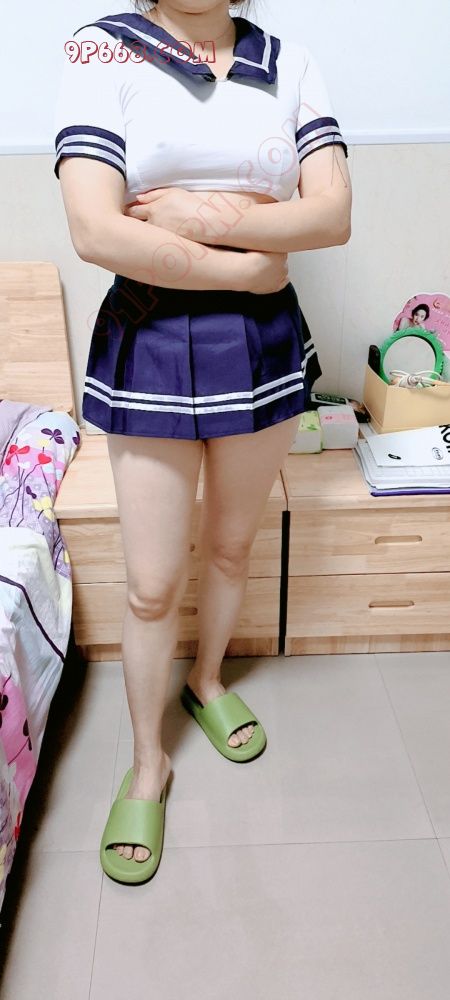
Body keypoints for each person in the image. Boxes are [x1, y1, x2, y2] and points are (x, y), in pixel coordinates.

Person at [54, 0, 352, 884]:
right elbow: (96, 230)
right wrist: (249, 265)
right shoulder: (102, 51)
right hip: (151, 335)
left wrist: (188, 216)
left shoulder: (288, 60)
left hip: (260, 342)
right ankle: (148, 763)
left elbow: (331, 216)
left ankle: (208, 681)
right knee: (151, 586)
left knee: (229, 546)